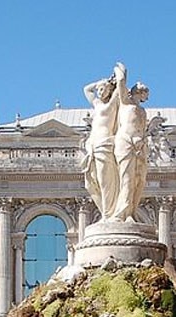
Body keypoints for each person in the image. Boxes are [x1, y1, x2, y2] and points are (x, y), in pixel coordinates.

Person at [113, 62, 149, 222]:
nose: (146, 96)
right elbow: (120, 83)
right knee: (126, 178)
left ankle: (131, 211)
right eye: (145, 92)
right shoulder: (125, 103)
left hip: (140, 147)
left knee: (138, 181)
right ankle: (123, 213)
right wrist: (122, 72)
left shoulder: (142, 110)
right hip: (125, 143)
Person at [81, 69, 120, 218]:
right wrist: (101, 82)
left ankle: (109, 214)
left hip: (104, 144)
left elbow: (120, 86)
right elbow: (86, 89)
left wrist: (114, 81)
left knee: (105, 182)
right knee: (90, 184)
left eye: (103, 89)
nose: (100, 91)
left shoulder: (112, 104)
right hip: (93, 146)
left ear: (110, 90)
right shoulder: (97, 104)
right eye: (99, 90)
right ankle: (106, 212)